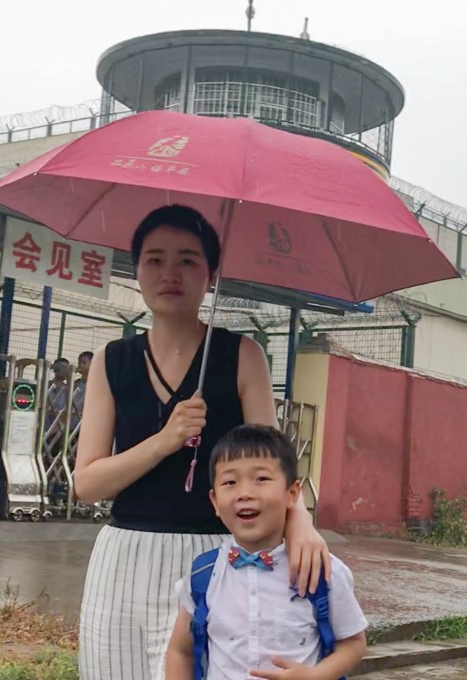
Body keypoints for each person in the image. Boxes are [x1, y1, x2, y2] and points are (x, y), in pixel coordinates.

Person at [74, 205, 330, 680]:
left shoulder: (241, 356)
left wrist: (303, 525)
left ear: (211, 274)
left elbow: (274, 468)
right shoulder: (113, 360)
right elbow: (87, 484)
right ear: (137, 271)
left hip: (219, 557)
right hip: (124, 559)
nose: (170, 272)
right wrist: (166, 440)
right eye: (154, 259)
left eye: (188, 260)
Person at [166, 425, 367, 680]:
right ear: (215, 502)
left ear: (292, 494)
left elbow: (353, 643)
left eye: (261, 479)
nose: (245, 494)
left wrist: (316, 676)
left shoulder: (321, 570)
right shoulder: (203, 576)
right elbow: (180, 651)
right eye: (230, 482)